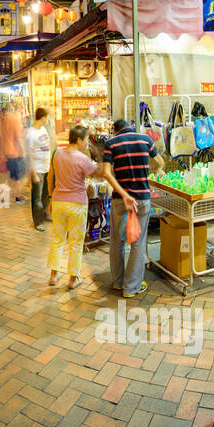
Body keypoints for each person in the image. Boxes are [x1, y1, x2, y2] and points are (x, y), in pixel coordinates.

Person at [103, 118, 161, 299]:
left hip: (121, 200)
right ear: (130, 127)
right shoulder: (146, 140)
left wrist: (124, 193)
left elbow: (106, 172)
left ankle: (118, 282)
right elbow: (160, 162)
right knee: (138, 243)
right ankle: (132, 287)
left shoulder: (111, 143)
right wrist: (154, 174)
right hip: (142, 199)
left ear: (116, 130)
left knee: (117, 242)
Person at [48, 126, 101, 290]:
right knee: (76, 242)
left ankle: (53, 275)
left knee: (58, 239)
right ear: (78, 140)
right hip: (77, 203)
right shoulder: (82, 159)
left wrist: (51, 197)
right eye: (86, 139)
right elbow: (97, 173)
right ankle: (73, 278)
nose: (87, 143)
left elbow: (51, 176)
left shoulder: (56, 153)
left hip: (58, 201)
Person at [27, 108, 53, 230]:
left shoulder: (43, 129)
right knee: (37, 197)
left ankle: (44, 214)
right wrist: (34, 174)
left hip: (45, 167)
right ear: (42, 118)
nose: (48, 120)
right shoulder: (31, 133)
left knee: (45, 195)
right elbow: (29, 155)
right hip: (37, 169)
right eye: (47, 118)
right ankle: (38, 222)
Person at [0, 107, 27, 202]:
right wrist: (23, 152)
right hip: (14, 152)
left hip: (5, 151)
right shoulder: (15, 122)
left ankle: (4, 195)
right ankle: (17, 196)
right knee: (17, 177)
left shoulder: (4, 120)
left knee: (10, 175)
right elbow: (19, 139)